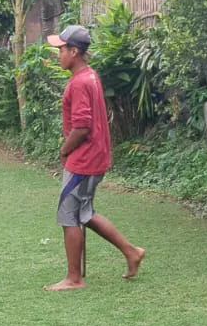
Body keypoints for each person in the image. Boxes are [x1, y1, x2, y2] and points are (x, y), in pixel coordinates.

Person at [44, 25, 145, 291]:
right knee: (84, 213)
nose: (59, 54)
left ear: (74, 51)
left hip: (83, 159)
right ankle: (131, 251)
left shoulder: (79, 82)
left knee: (70, 215)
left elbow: (82, 126)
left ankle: (74, 278)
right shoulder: (90, 76)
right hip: (95, 157)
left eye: (62, 49)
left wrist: (65, 149)